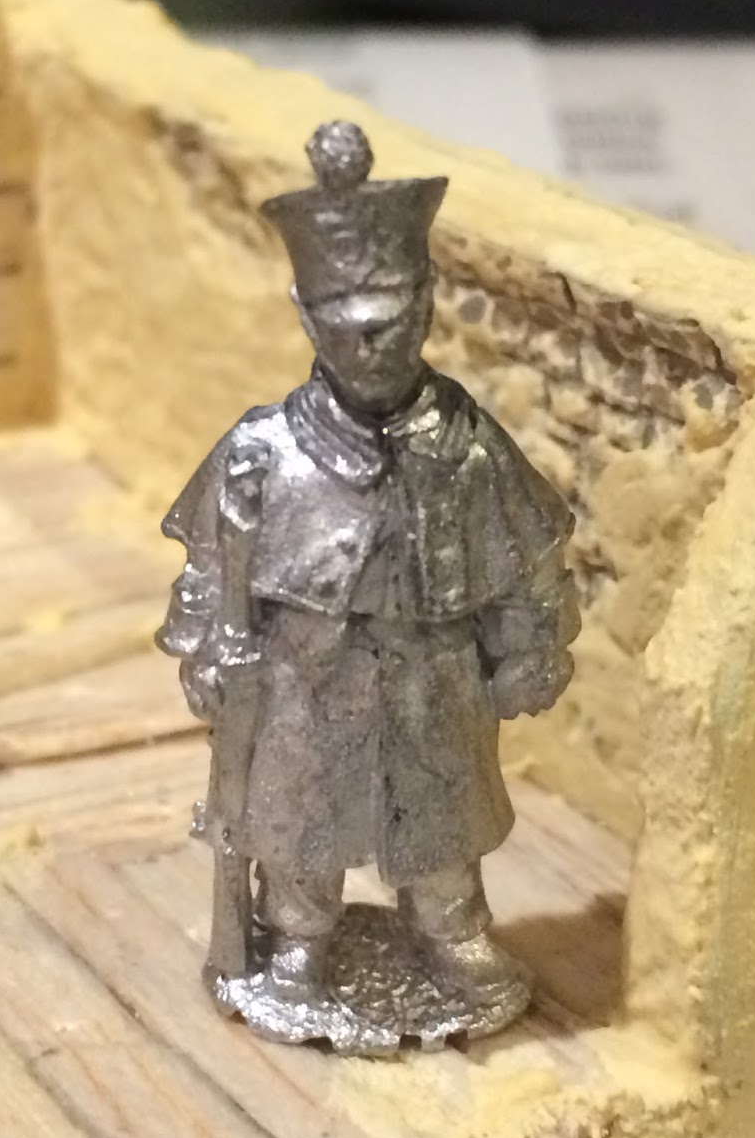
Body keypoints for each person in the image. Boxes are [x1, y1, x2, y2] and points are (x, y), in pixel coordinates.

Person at [157, 120, 578, 1042]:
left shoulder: (466, 446)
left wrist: (533, 643)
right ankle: (298, 944)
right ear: (310, 320)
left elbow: (528, 558)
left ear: (427, 308)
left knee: (441, 816)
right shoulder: (262, 455)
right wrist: (203, 653)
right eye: (353, 328)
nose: (378, 345)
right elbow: (209, 568)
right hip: (303, 683)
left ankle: (452, 933)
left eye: (398, 320)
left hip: (437, 678)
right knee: (299, 820)